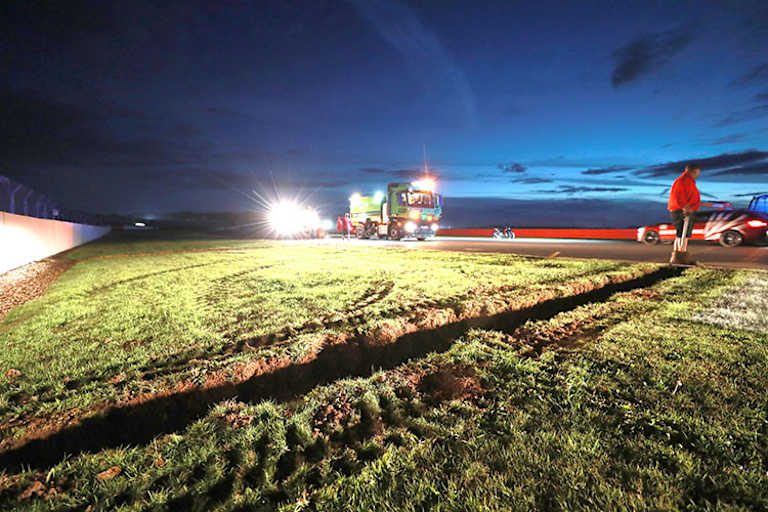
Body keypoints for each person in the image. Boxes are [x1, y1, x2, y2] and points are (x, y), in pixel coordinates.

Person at [668, 163, 701, 265]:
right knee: (682, 234)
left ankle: (681, 256)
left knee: (683, 234)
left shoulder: (688, 181)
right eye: (696, 173)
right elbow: (679, 196)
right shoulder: (683, 181)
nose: (697, 175)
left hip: (684, 210)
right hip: (681, 211)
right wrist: (685, 207)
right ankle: (679, 257)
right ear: (692, 171)